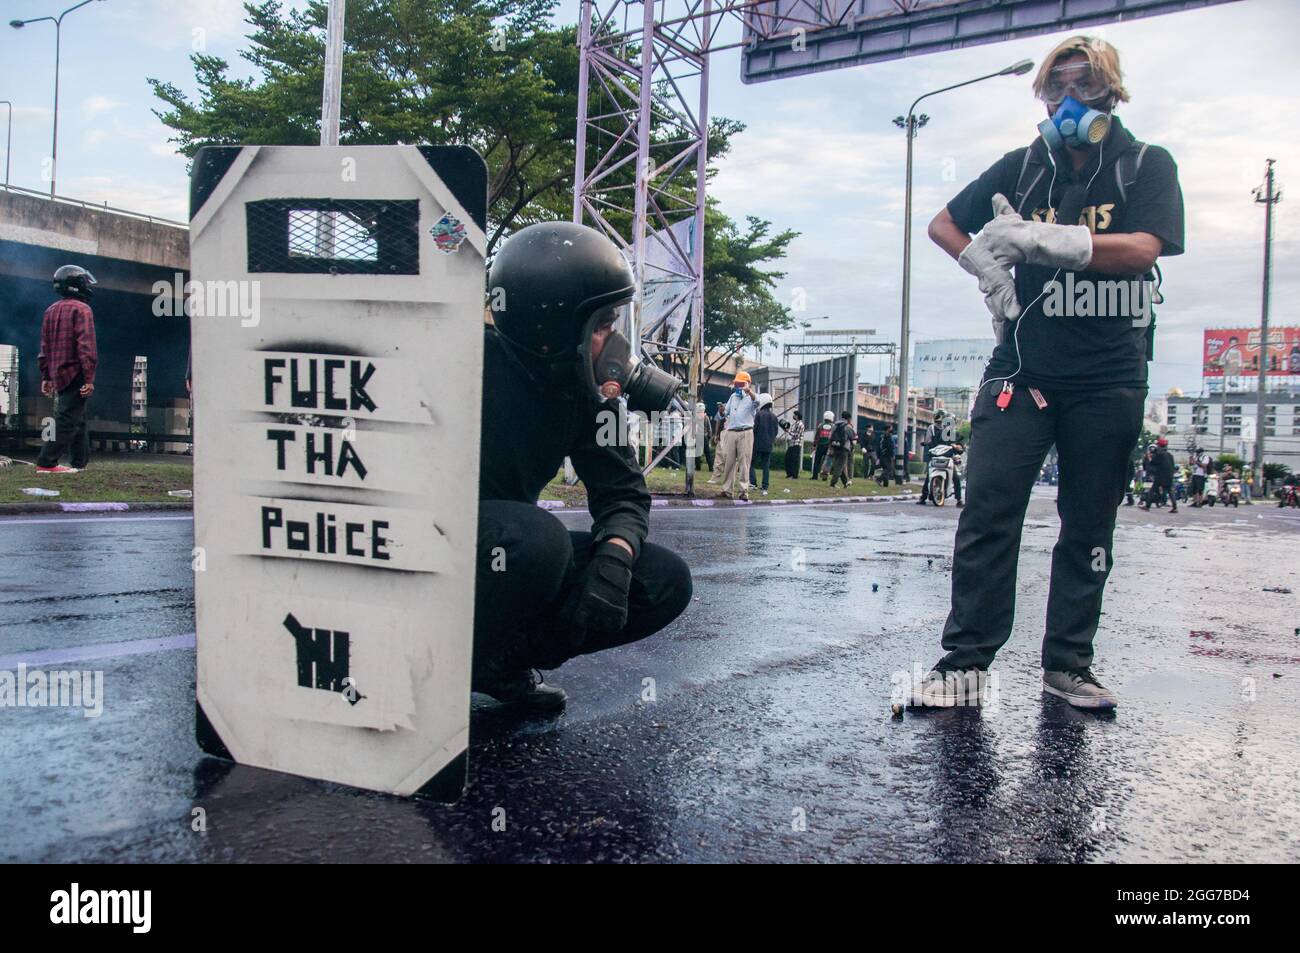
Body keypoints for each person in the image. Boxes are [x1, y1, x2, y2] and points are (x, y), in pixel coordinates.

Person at [914, 35, 1184, 710]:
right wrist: (985, 265)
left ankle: (1069, 664)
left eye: (1083, 84)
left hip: (1108, 373)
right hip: (1021, 365)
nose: (1068, 99)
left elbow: (1145, 248)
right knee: (989, 508)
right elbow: (943, 223)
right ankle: (963, 664)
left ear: (1111, 92)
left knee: (1088, 523)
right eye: (1054, 87)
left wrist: (1048, 239)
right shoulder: (1026, 166)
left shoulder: (1144, 164)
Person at [474, 221, 692, 711]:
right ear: (549, 328)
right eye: (600, 326)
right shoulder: (458, 359)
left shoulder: (587, 397)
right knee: (537, 541)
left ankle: (495, 664)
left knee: (662, 579)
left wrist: (615, 556)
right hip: (424, 546)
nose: (614, 342)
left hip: (509, 549)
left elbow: (624, 495)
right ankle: (428, 654)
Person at [36, 265, 99, 474]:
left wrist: (46, 375)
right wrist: (89, 378)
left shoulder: (50, 310)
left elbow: (45, 346)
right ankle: (47, 462)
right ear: (77, 286)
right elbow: (86, 346)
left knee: (77, 417)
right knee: (67, 419)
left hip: (57, 372)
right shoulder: (82, 310)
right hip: (76, 372)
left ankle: (80, 463)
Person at [717, 370, 759, 501]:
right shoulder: (733, 397)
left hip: (745, 432)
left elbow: (757, 402)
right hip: (731, 431)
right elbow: (725, 413)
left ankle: (743, 491)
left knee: (744, 462)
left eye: (741, 384)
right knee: (729, 462)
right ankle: (727, 490)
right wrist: (722, 410)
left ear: (747, 384)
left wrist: (749, 392)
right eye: (737, 384)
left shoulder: (751, 397)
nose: (738, 387)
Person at [916, 409, 953, 505]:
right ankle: (959, 500)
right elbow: (952, 442)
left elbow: (928, 441)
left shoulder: (932, 428)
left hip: (938, 454)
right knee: (931, 476)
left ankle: (923, 498)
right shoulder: (946, 428)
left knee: (930, 475)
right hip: (943, 455)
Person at [750, 393, 778, 495]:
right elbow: (776, 432)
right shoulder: (774, 417)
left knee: (750, 463)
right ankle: (765, 486)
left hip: (757, 444)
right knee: (766, 465)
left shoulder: (759, 414)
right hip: (768, 445)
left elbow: (754, 429)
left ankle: (753, 483)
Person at [1142, 437, 1176, 512]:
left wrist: (1149, 456)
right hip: (1169, 475)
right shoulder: (1170, 455)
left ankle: (1147, 506)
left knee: (1152, 489)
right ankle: (1175, 507)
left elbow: (1152, 462)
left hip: (1160, 475)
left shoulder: (1159, 454)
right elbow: (1173, 465)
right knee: (1170, 490)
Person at [827, 410, 857, 488]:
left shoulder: (835, 425)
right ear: (849, 418)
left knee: (839, 465)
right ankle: (833, 483)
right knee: (839, 466)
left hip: (835, 447)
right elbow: (853, 438)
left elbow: (829, 437)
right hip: (844, 448)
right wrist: (853, 447)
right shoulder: (848, 426)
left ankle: (845, 483)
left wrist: (830, 447)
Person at [811, 410, 834, 481]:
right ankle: (824, 477)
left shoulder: (820, 425)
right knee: (827, 462)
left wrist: (814, 445)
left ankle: (815, 476)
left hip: (820, 445)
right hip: (828, 446)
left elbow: (817, 436)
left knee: (817, 461)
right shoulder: (833, 426)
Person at [706, 402, 727, 483]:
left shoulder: (730, 410)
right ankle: (715, 477)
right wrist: (716, 435)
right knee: (718, 456)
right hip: (722, 436)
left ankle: (726, 478)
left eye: (721, 406)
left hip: (729, 435)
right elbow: (718, 422)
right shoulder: (719, 413)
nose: (719, 408)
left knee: (728, 458)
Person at [783, 409, 804, 478]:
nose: (793, 416)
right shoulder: (795, 424)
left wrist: (788, 431)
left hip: (796, 444)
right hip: (792, 443)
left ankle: (794, 475)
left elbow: (796, 435)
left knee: (794, 460)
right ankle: (789, 473)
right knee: (788, 458)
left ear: (797, 416)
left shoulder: (800, 424)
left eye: (794, 415)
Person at [694, 402, 714, 472]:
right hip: (704, 436)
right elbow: (710, 429)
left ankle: (698, 467)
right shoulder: (706, 417)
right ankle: (711, 468)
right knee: (707, 453)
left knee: (697, 452)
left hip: (697, 436)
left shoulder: (695, 417)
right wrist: (709, 437)